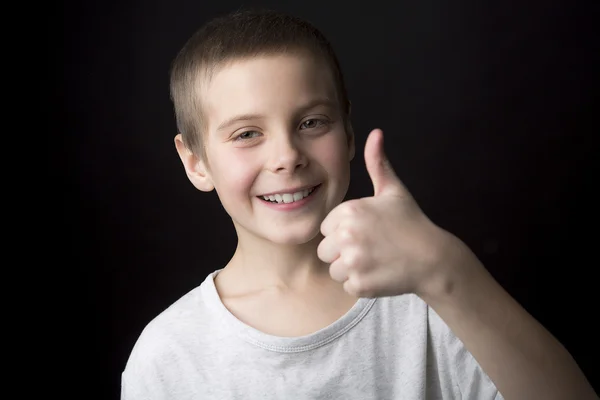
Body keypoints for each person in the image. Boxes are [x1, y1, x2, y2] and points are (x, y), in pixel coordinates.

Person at [121, 8, 597, 400]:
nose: (287, 157)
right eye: (247, 134)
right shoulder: (168, 355)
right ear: (196, 161)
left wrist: (449, 270)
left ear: (347, 133)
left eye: (311, 123)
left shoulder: (432, 302)